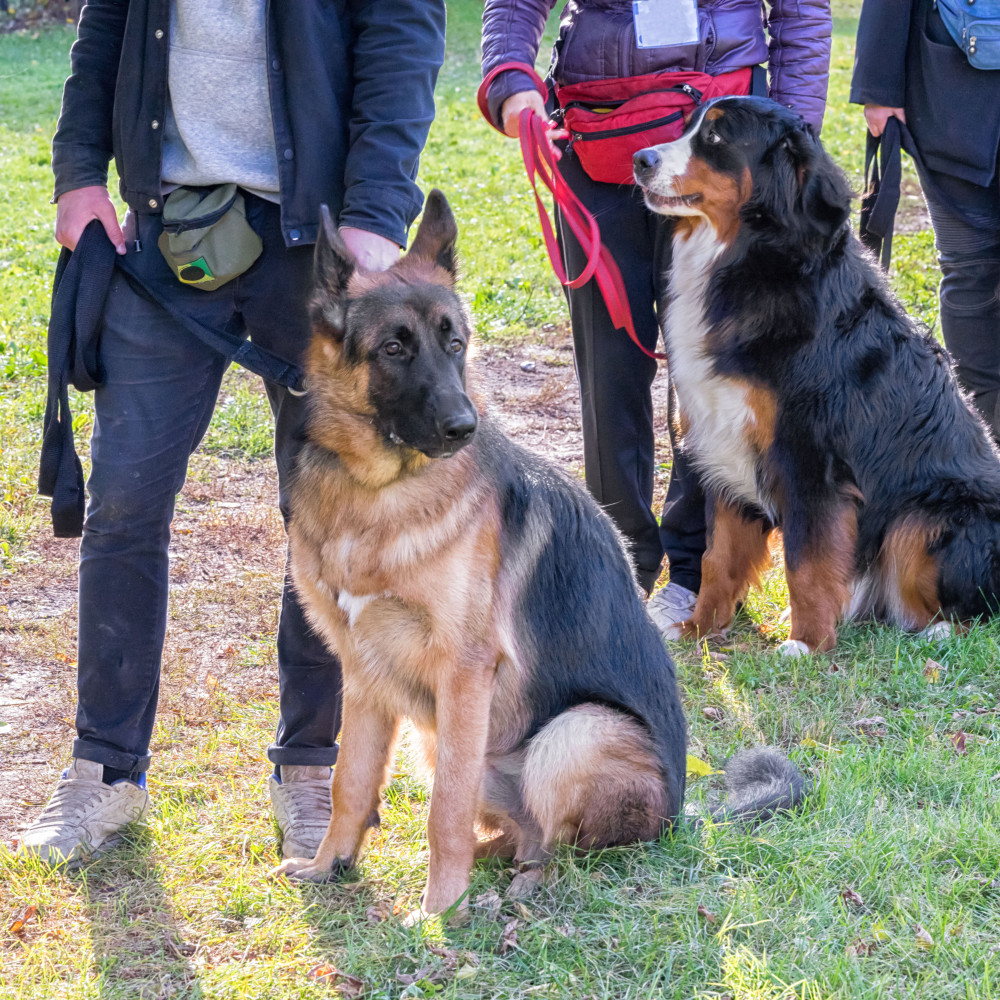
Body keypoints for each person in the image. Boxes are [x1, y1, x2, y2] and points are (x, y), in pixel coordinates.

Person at [20, 0, 445, 866]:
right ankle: (104, 774)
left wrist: (375, 209)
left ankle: (312, 769)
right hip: (165, 232)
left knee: (330, 514)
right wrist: (78, 174)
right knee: (125, 504)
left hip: (318, 246)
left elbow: (401, 33)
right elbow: (105, 24)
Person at [481, 0, 832, 635]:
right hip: (596, 134)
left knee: (716, 370)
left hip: (724, 144)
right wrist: (509, 76)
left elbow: (802, 10)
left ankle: (697, 572)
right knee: (609, 365)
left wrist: (791, 141)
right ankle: (619, 564)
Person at [852, 0, 1000, 441]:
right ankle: (985, 436)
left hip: (948, 90)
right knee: (969, 268)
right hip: (951, 95)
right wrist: (879, 86)